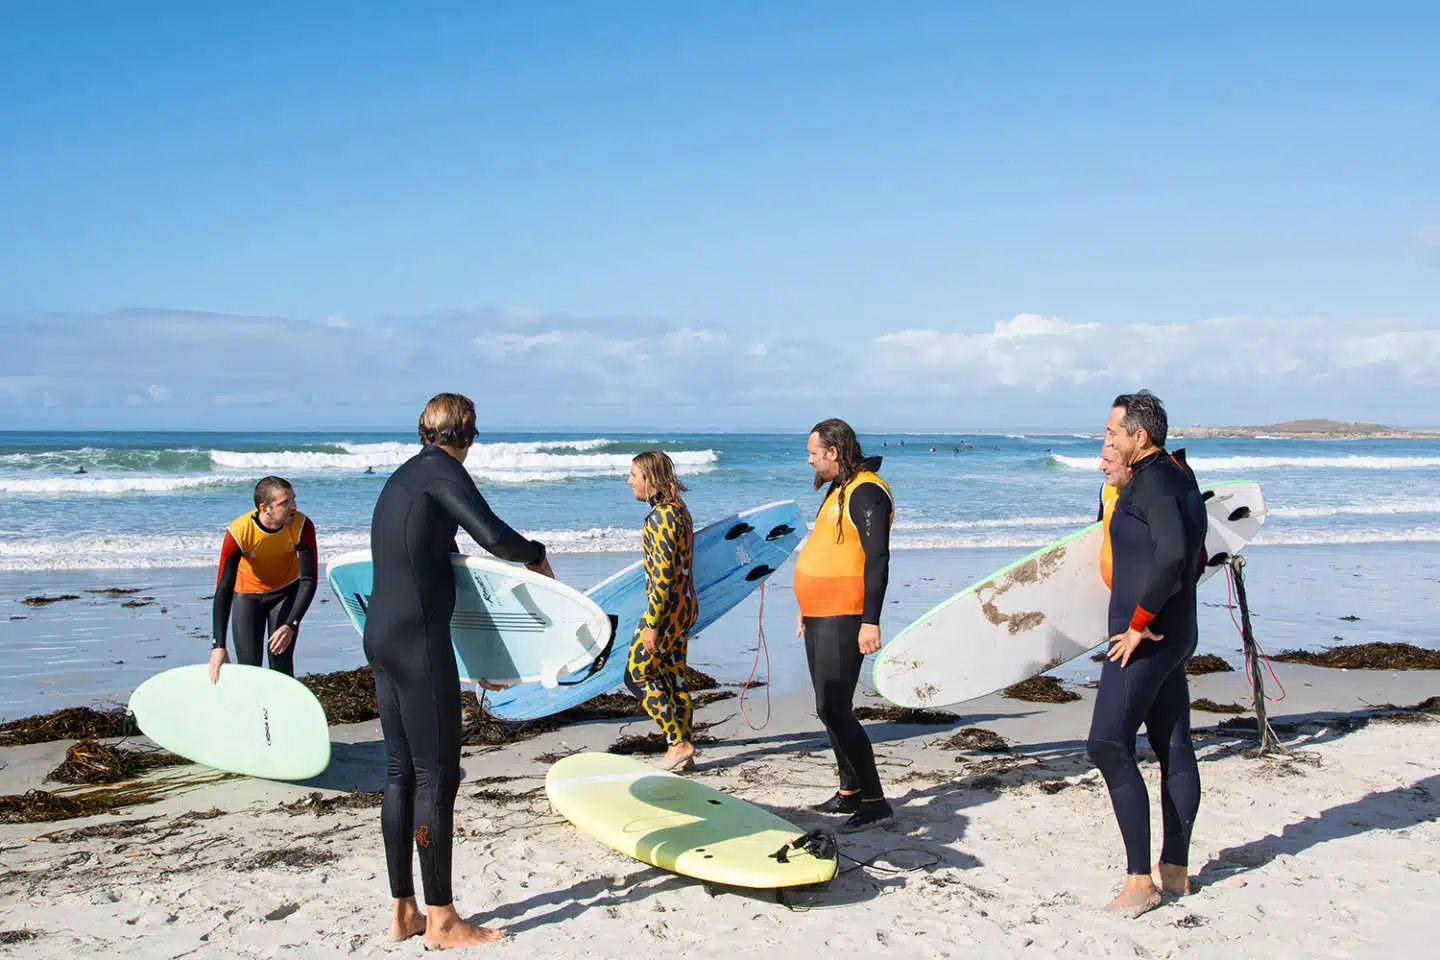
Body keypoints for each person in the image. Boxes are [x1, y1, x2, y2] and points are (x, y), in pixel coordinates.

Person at [363, 393, 553, 949]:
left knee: (400, 773)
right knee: (437, 778)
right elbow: (491, 538)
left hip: (381, 637)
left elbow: (452, 575)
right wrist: (536, 555)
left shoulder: (401, 479)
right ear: (468, 432)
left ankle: (404, 910)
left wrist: (481, 659)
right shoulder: (443, 474)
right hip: (419, 644)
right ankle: (442, 919)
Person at [1086, 391, 1208, 918]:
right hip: (1173, 630)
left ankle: (1140, 882)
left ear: (1140, 436)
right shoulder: (1178, 474)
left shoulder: (1155, 479)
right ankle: (1174, 870)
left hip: (1146, 637)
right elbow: (1196, 554)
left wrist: (1139, 624)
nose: (1107, 439)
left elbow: (1177, 555)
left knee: (1108, 744)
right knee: (1171, 739)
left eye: (1114, 432)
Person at [792, 418, 894, 831]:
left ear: (833, 452)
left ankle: (875, 800)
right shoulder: (839, 488)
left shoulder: (867, 490)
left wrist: (871, 621)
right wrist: (804, 604)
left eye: (815, 453)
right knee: (829, 708)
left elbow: (878, 559)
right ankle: (849, 791)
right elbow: (828, 549)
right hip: (819, 613)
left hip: (845, 613)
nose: (811, 461)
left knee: (833, 707)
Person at [622, 451, 699, 772]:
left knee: (636, 674)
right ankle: (685, 752)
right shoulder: (679, 510)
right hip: (683, 607)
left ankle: (677, 742)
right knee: (673, 679)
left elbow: (664, 572)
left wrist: (652, 623)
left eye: (634, 476)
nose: (630, 482)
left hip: (665, 611)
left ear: (650, 479)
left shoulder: (662, 517)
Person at [209, 476, 317, 684]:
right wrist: (218, 646)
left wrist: (291, 624)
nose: (293, 506)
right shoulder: (239, 532)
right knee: (250, 669)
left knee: (281, 664)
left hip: (286, 593)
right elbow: (223, 589)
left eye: (294, 499)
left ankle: (283, 714)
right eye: (285, 503)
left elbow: (308, 580)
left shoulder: (302, 526)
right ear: (264, 507)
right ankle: (253, 715)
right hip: (247, 596)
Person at [1097, 442, 1133, 589]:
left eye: (1109, 461)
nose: (1101, 466)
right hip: (1111, 588)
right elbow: (1098, 531)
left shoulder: (1142, 495)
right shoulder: (1105, 488)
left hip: (1133, 590)